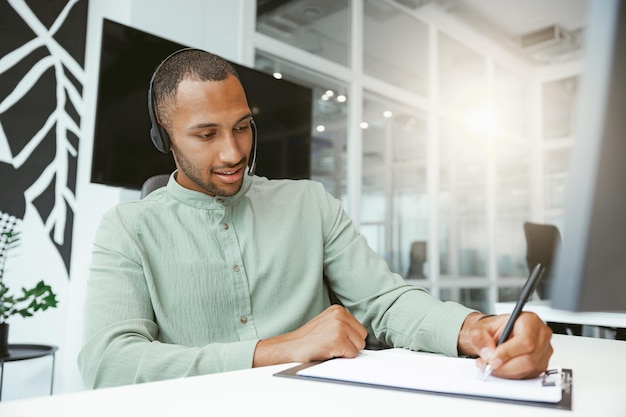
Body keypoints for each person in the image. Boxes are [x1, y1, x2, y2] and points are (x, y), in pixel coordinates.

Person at [77, 49, 552, 389]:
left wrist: (475, 328)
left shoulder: (311, 204)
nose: (233, 151)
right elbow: (107, 362)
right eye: (206, 134)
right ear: (165, 138)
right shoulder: (127, 230)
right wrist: (276, 350)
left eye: (243, 126)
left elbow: (384, 302)